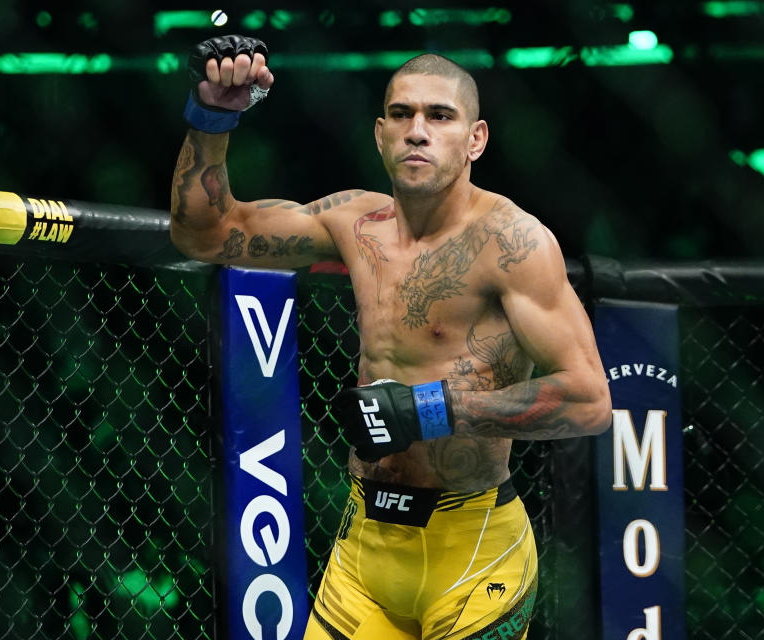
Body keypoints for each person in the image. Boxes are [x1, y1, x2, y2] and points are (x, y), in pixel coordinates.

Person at [170, 35, 612, 640]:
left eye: (440, 115)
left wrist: (429, 409)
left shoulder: (512, 243)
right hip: (364, 551)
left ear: (475, 138)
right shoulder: (357, 221)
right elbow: (205, 235)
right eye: (402, 114)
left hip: (472, 548)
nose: (418, 131)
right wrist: (213, 116)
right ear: (380, 133)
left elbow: (590, 400)